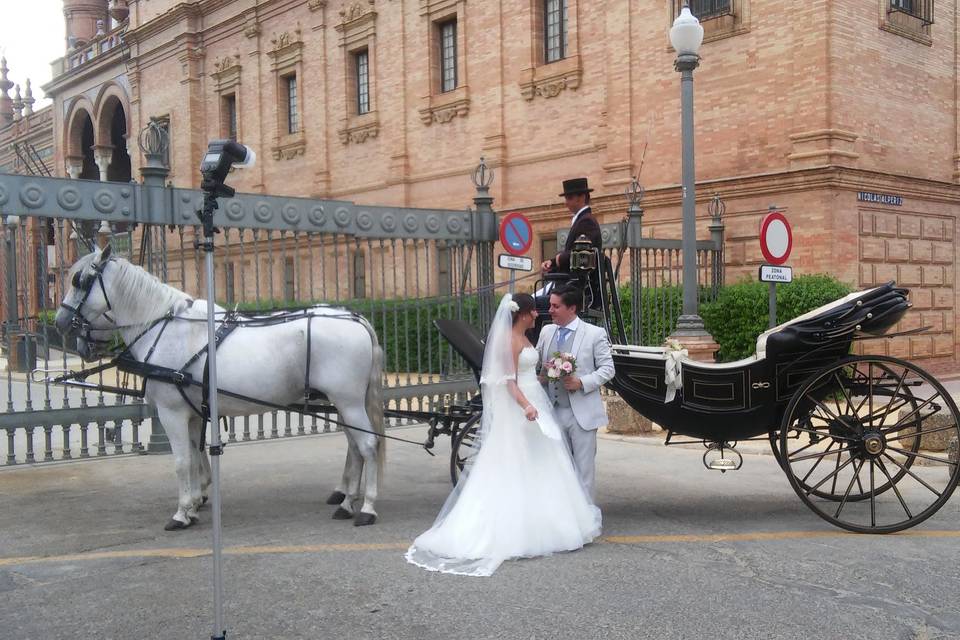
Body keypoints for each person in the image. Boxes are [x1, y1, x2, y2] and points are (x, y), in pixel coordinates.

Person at [405, 293, 601, 577]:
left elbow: (528, 374)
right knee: (519, 464)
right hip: (523, 406)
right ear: (522, 313)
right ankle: (519, 528)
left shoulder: (526, 337)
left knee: (540, 464)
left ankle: (544, 521)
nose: (538, 315)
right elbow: (508, 381)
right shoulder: (510, 340)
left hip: (535, 397)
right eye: (533, 311)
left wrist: (549, 374)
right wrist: (527, 406)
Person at [536, 286, 615, 499]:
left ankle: (586, 522)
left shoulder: (594, 334)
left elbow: (608, 369)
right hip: (552, 411)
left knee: (583, 471)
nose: (550, 310)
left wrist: (581, 382)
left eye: (555, 306)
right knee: (558, 469)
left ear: (572, 308)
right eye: (550, 305)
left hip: (582, 413)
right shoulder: (546, 331)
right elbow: (539, 363)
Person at [539, 177, 602, 276]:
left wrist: (558, 259)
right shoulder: (582, 220)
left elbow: (582, 254)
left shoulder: (587, 221)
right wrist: (553, 262)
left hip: (579, 283)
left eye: (569, 198)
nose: (566, 203)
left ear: (581, 198)